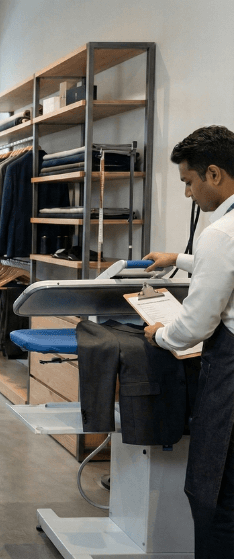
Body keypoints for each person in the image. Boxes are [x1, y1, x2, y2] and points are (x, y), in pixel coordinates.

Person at [143, 125, 234, 558]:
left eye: (189, 181)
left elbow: (195, 324)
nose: (187, 193)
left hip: (230, 378)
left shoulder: (219, 233)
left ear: (213, 174)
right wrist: (178, 259)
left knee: (215, 494)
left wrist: (161, 334)